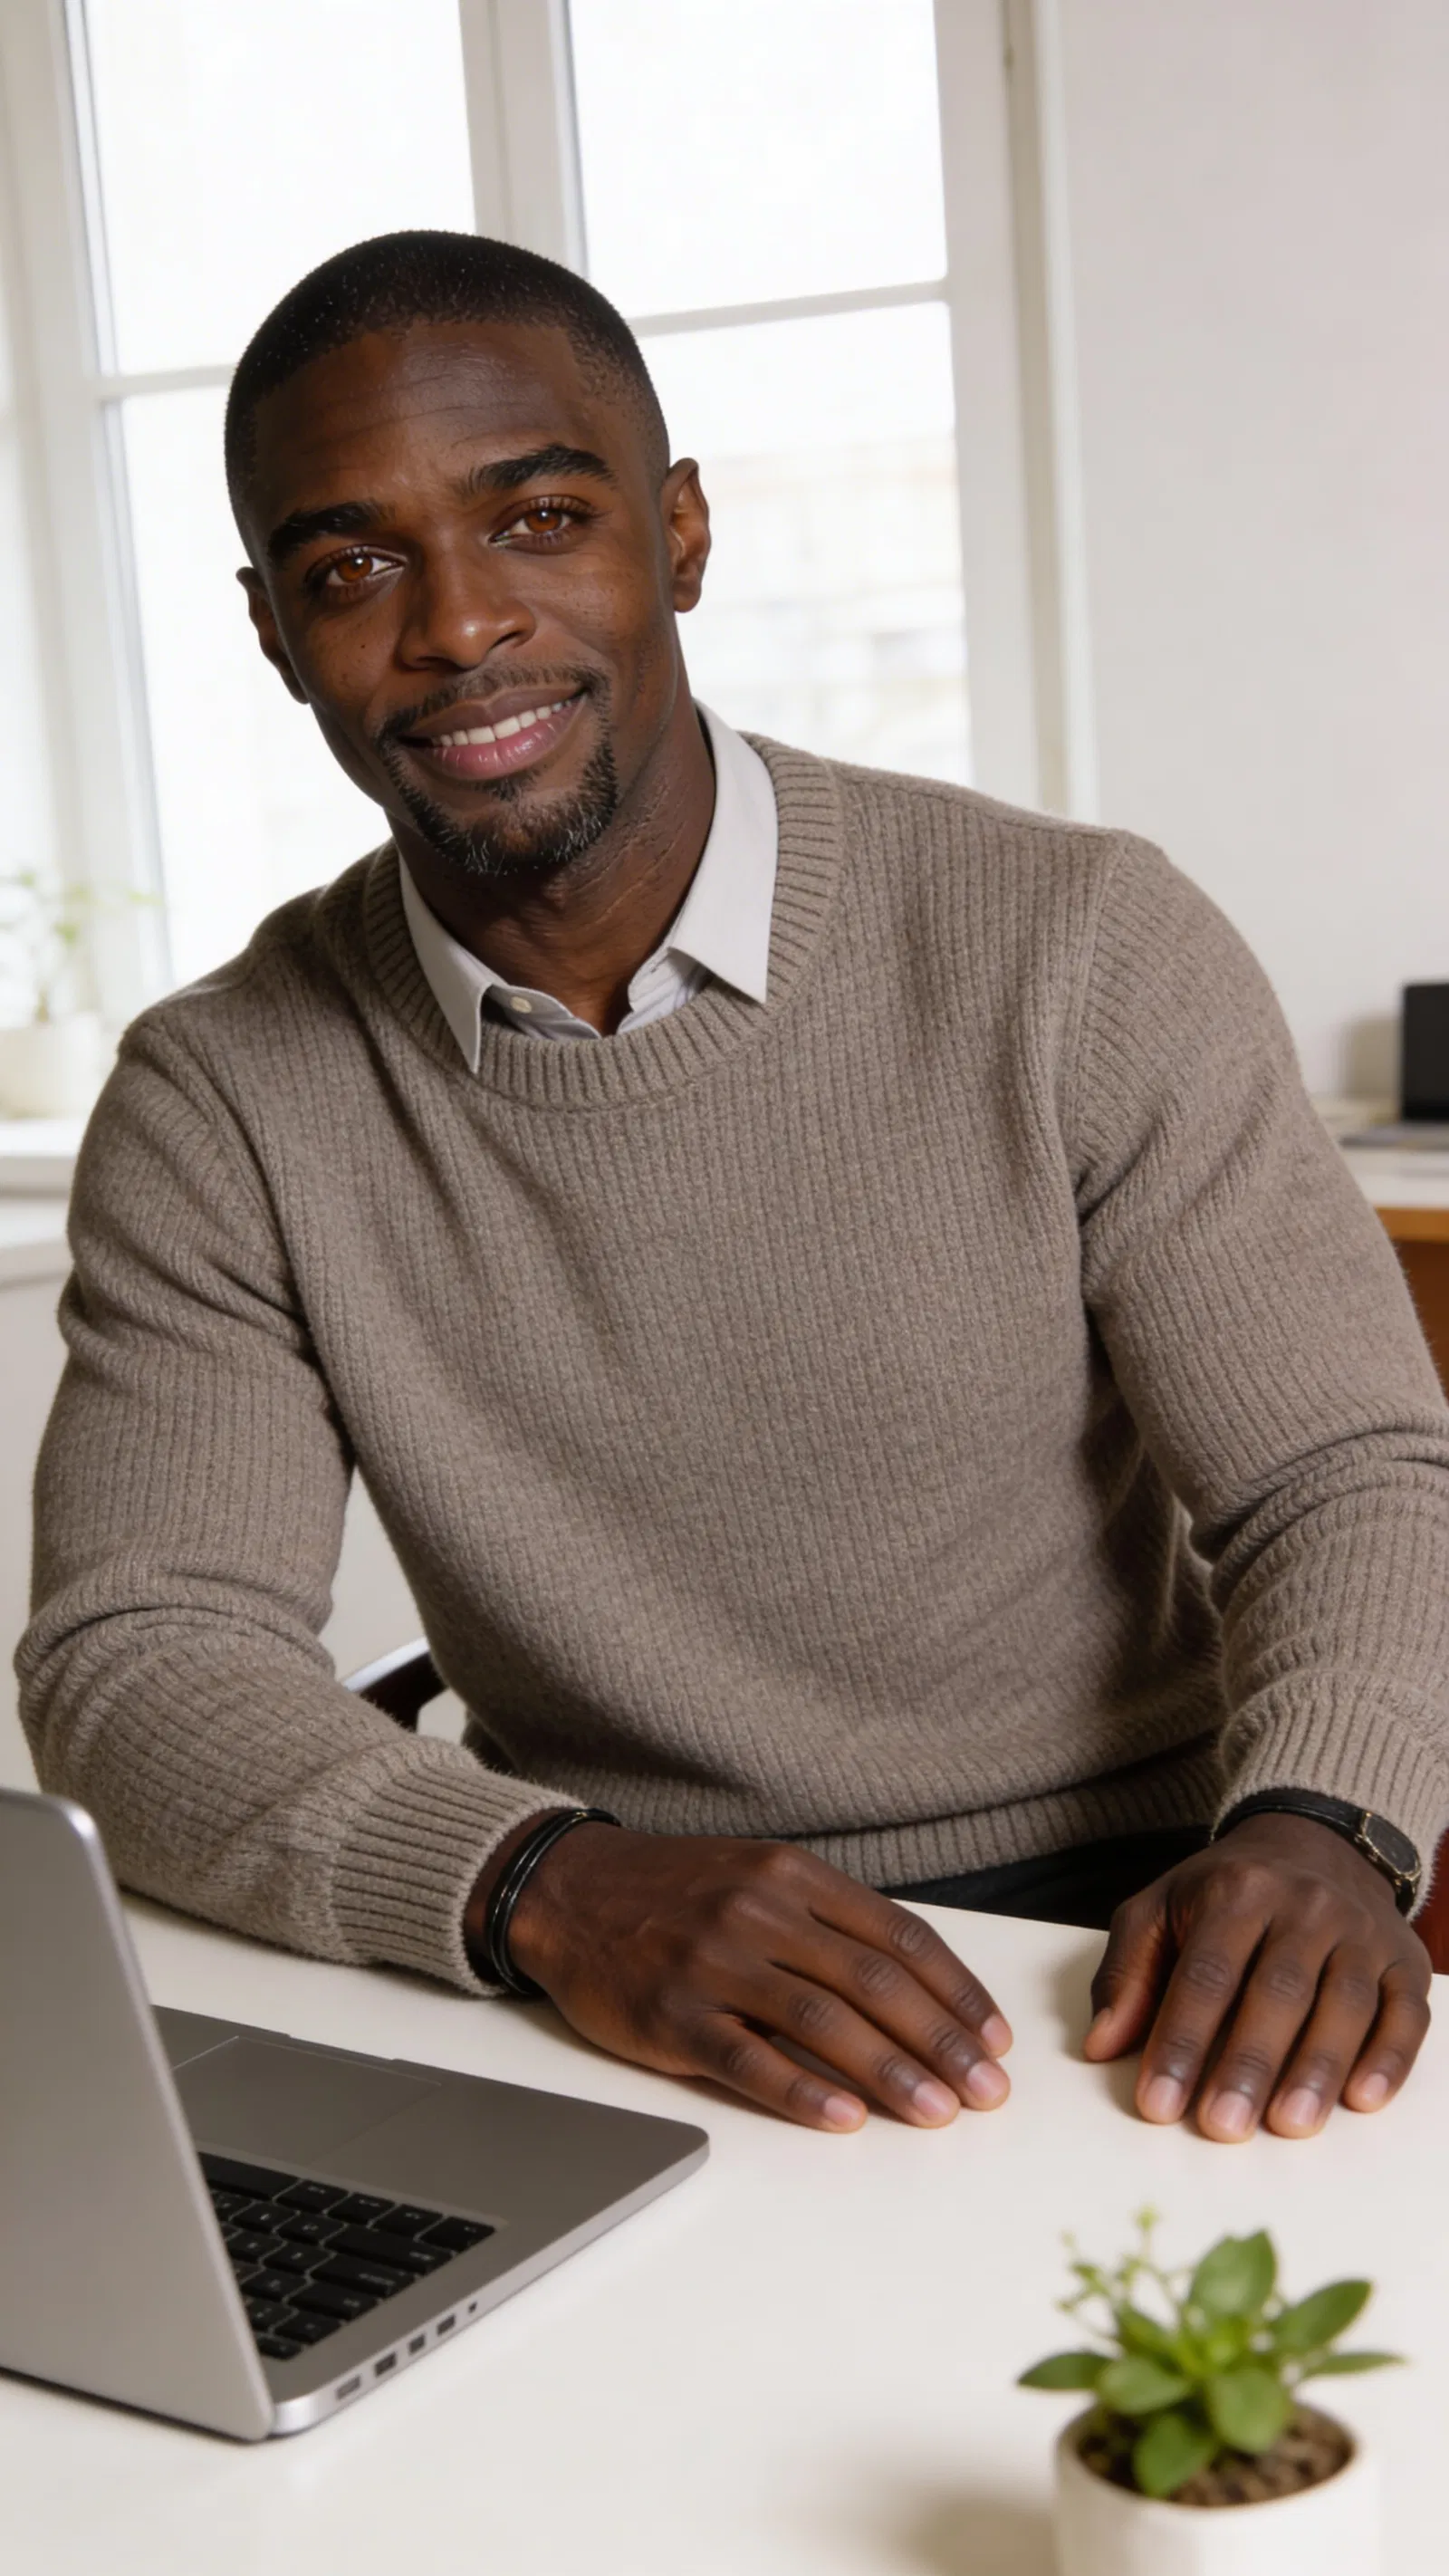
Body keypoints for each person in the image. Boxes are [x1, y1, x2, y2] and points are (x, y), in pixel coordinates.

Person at [20, 230, 1449, 2150]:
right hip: (583, 1951)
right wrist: (541, 1884)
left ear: (678, 538)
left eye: (536, 516)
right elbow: (140, 1657)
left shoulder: (1075, 945)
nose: (455, 625)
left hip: (1110, 1936)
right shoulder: (218, 1094)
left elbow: (1340, 1474)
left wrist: (1320, 1822)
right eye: (352, 567)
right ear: (275, 635)